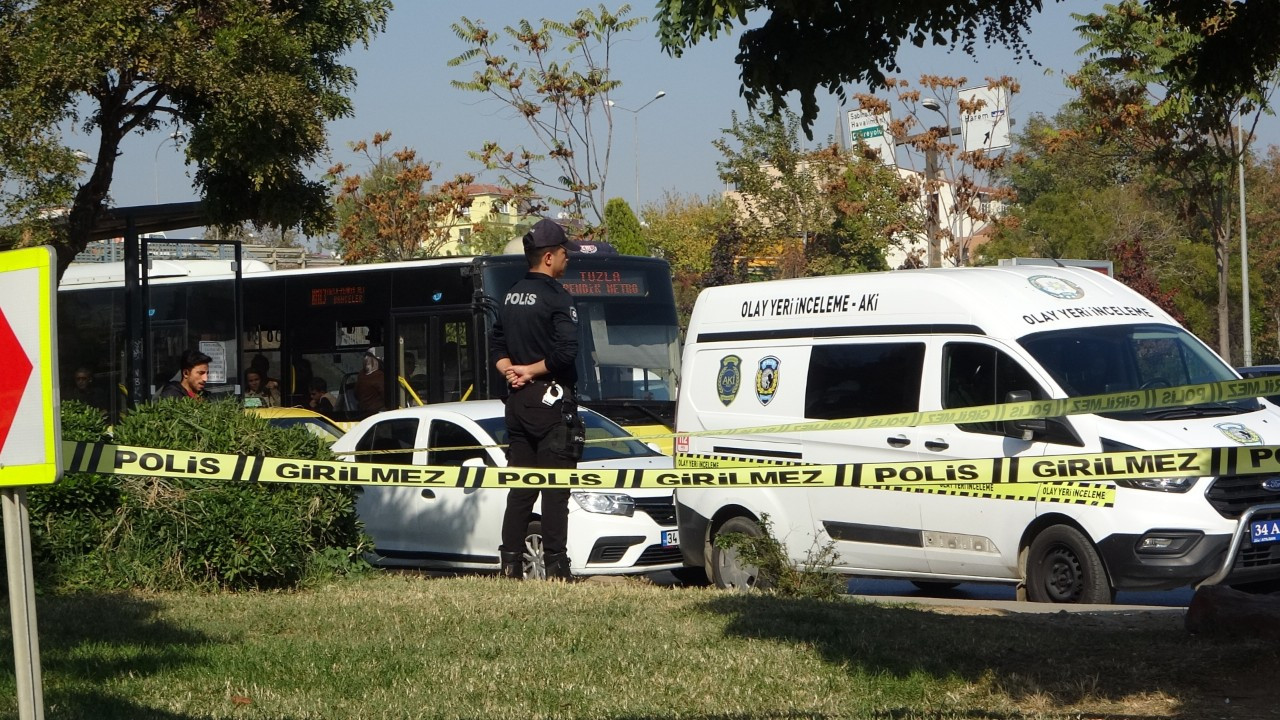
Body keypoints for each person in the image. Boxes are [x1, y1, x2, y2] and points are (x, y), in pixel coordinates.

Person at [488, 218, 583, 581]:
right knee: (556, 491)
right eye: (563, 252)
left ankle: (510, 565)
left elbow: (495, 343)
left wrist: (510, 370)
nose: (567, 259)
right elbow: (566, 353)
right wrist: (531, 369)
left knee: (521, 491)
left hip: (516, 403)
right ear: (547, 257)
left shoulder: (510, 294)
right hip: (550, 402)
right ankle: (558, 567)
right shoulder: (557, 296)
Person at [354, 349, 386, 415]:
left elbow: (356, 394)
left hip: (363, 412)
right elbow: (386, 396)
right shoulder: (379, 376)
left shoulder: (361, 374)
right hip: (377, 413)